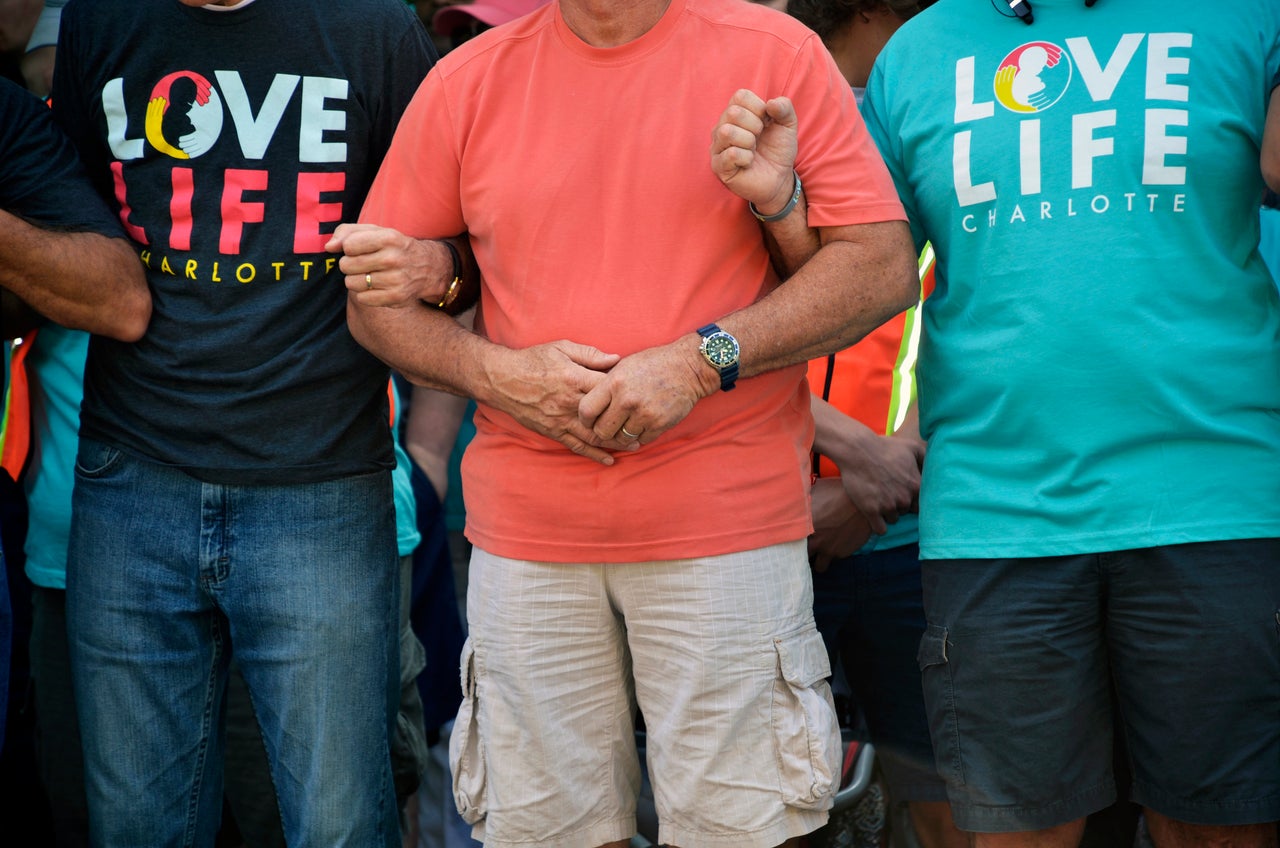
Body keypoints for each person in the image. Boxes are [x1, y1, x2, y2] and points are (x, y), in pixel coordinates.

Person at [327, 1, 919, 847]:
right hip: (527, 539)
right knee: (547, 836)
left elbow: (880, 267)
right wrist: (500, 375)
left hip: (724, 527)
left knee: (741, 833)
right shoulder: (468, 78)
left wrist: (697, 360)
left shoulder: (771, 51)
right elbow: (375, 304)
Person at [853, 1, 1280, 847]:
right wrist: (778, 198)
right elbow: (855, 259)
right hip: (995, 515)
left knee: (1217, 829)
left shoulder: (1245, 14)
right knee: (1021, 837)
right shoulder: (919, 49)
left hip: (1215, 497)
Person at [48, 1, 450, 844]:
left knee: (339, 826)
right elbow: (79, 228)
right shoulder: (102, 20)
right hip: (130, 479)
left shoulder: (373, 30)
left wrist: (440, 270)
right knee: (132, 829)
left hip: (322, 485)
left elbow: (460, 235)